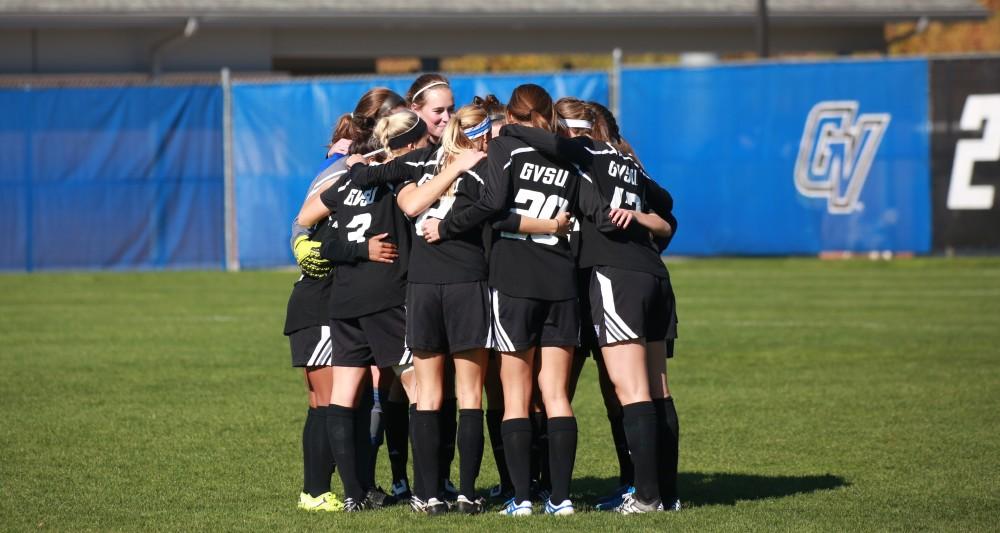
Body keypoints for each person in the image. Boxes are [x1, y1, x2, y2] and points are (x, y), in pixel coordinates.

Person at [421, 84, 606, 516]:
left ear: (514, 116)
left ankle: (521, 499)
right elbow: (596, 209)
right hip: (561, 281)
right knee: (557, 395)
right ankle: (560, 500)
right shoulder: (566, 157)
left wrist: (446, 228)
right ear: (547, 114)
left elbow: (490, 203)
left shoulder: (506, 147)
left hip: (514, 281)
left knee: (516, 396)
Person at [503, 97, 681, 514]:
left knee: (626, 389)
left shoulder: (583, 154)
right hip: (651, 273)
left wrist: (508, 129)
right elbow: (666, 206)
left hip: (609, 275)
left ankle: (646, 496)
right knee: (655, 389)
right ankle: (664, 494)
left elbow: (544, 142)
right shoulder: (625, 161)